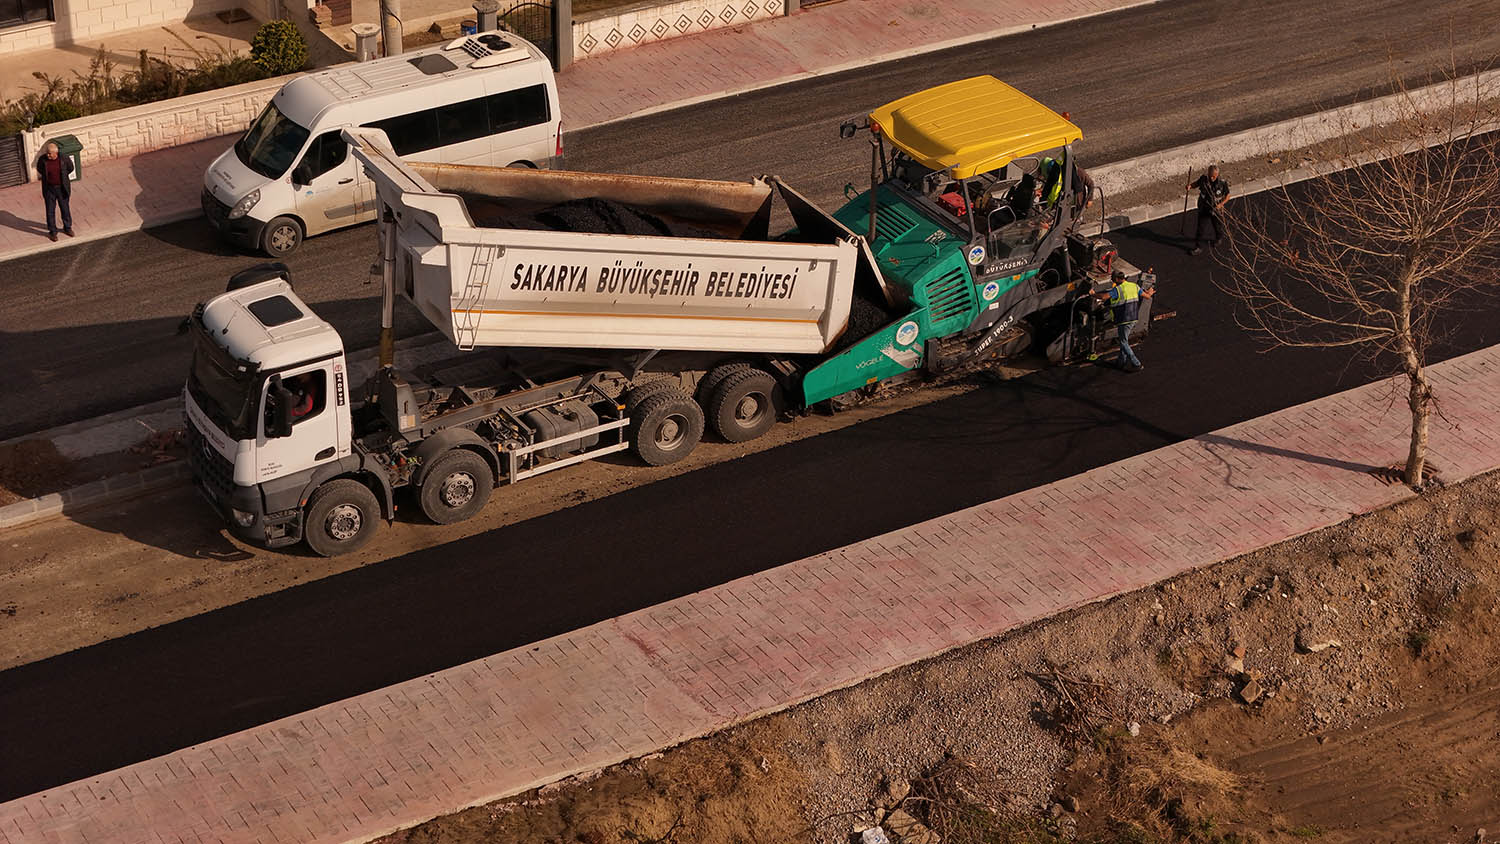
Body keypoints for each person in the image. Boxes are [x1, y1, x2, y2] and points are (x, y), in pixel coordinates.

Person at [1098, 269, 1143, 372]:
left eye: (1113, 280)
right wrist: (1150, 292)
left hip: (1123, 319)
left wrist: (1092, 293)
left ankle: (1136, 363)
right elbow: (1146, 296)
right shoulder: (1134, 286)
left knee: (1123, 342)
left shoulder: (1117, 290)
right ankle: (1120, 362)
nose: (1113, 281)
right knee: (1124, 340)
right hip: (1133, 318)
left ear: (1118, 279)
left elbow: (1104, 297)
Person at [1185, 164, 1229, 255]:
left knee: (1217, 226)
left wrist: (1221, 204)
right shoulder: (1203, 179)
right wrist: (1190, 186)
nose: (1211, 178)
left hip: (1216, 209)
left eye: (1213, 176)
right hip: (1204, 207)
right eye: (1210, 175)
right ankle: (1198, 247)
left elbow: (1228, 196)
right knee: (1200, 228)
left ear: (1217, 175)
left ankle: (1219, 237)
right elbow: (1196, 184)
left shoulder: (1222, 183)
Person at [35, 141, 75, 242]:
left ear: (55, 153)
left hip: (62, 188)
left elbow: (70, 168)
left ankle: (67, 227)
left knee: (65, 208)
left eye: (50, 153)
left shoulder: (64, 158)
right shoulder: (42, 160)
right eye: (47, 153)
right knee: (50, 211)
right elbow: (40, 169)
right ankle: (52, 231)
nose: (47, 155)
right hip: (49, 189)